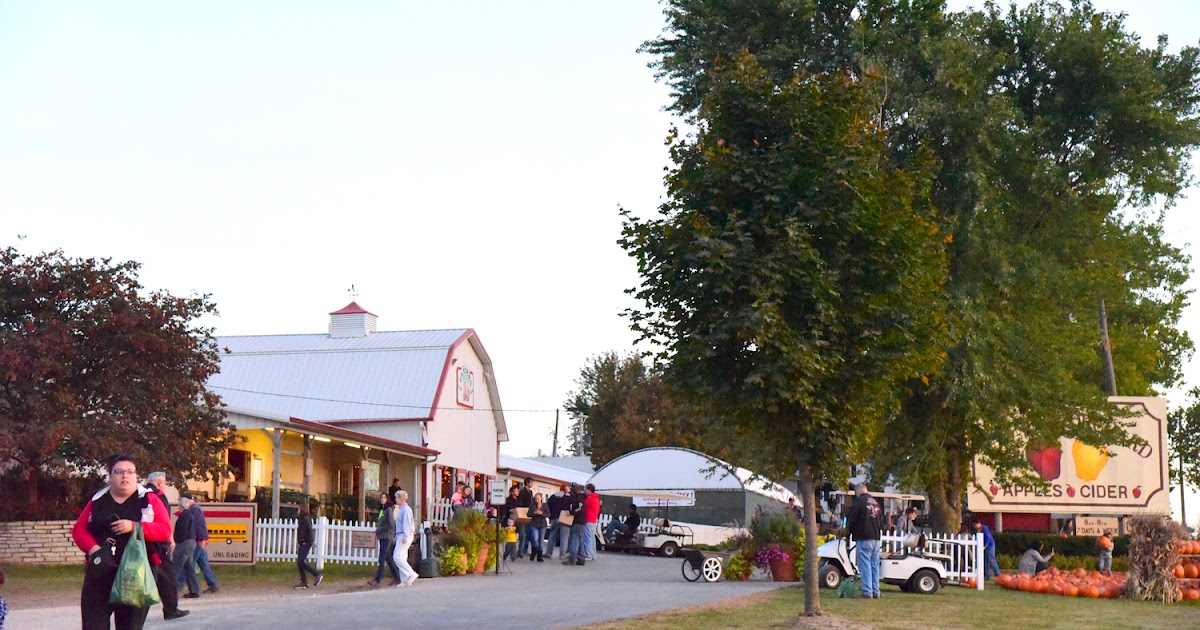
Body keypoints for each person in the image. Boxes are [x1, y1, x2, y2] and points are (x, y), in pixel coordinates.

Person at [72, 454, 172, 630]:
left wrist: (134, 526)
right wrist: (94, 549)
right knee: (93, 625)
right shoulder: (98, 500)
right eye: (119, 472)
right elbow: (79, 530)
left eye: (130, 472)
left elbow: (164, 530)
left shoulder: (149, 500)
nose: (125, 476)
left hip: (137, 575)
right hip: (101, 573)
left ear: (136, 476)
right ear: (110, 477)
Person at [144, 472, 187, 620]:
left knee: (152, 577)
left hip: (142, 542)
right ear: (160, 483)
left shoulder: (141, 493)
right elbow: (164, 521)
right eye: (165, 483)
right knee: (168, 576)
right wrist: (170, 539)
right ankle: (171, 609)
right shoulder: (159, 496)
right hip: (157, 543)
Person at [845, 483, 884, 599]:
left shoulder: (858, 503)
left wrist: (848, 532)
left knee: (865, 564)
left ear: (857, 492)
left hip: (864, 537)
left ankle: (867, 591)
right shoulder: (876, 503)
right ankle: (876, 591)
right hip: (876, 538)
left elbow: (852, 520)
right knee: (874, 565)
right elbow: (881, 522)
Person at [172, 494, 202, 599]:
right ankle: (194, 590)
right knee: (189, 568)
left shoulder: (184, 516)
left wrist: (177, 541)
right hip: (191, 542)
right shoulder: (190, 514)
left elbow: (182, 531)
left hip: (184, 543)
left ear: (181, 505)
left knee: (175, 567)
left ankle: (170, 591)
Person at [367, 492, 399, 586]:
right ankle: (397, 577)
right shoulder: (383, 510)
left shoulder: (388, 509)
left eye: (384, 498)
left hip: (387, 536)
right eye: (381, 497)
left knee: (382, 558)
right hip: (382, 535)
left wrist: (380, 529)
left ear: (388, 499)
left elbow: (390, 524)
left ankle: (378, 579)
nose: (382, 499)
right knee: (388, 558)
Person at [190, 501, 219, 594]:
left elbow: (199, 525)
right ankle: (213, 584)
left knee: (189, 564)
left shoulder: (194, 509)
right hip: (201, 540)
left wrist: (201, 539)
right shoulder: (196, 509)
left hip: (199, 541)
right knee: (203, 563)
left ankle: (185, 586)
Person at [391, 490, 418, 588]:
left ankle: (411, 574)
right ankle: (405, 579)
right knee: (402, 557)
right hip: (400, 534)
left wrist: (406, 536)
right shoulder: (401, 509)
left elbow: (406, 523)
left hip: (405, 535)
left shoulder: (406, 509)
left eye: (396, 498)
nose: (395, 499)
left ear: (401, 498)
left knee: (396, 556)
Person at [294, 503, 323, 589]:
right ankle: (304, 582)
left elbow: (310, 530)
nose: (297, 511)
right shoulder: (302, 519)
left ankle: (317, 574)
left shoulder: (306, 519)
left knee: (301, 562)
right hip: (302, 543)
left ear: (302, 510)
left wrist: (312, 541)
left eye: (299, 509)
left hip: (306, 543)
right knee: (300, 562)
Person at [564, 484, 587, 566]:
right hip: (582, 522)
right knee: (580, 541)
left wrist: (571, 512)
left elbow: (580, 509)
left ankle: (572, 559)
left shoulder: (579, 498)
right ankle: (581, 558)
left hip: (578, 521)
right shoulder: (581, 497)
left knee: (574, 540)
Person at [546, 484, 570, 558]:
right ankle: (562, 554)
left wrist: (550, 517)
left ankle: (548, 553)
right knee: (564, 537)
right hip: (564, 518)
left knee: (552, 535)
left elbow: (548, 507)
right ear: (565, 489)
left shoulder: (553, 497)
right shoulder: (567, 498)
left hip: (554, 518)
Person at [527, 493, 549, 562]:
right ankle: (534, 552)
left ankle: (539, 556)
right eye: (536, 499)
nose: (537, 500)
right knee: (534, 539)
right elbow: (528, 514)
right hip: (534, 524)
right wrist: (534, 513)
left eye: (538, 499)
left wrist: (542, 513)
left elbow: (548, 514)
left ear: (541, 499)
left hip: (542, 524)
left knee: (541, 541)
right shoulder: (532, 505)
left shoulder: (545, 505)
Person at [583, 484, 602, 561]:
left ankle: (588, 554)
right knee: (591, 537)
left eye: (585, 489)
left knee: (587, 537)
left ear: (589, 489)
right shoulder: (596, 498)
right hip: (593, 519)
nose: (585, 491)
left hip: (588, 519)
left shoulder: (590, 498)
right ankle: (593, 554)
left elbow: (583, 505)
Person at [516, 477, 533, 558]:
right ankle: (520, 551)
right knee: (523, 534)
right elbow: (520, 503)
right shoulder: (523, 492)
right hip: (523, 514)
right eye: (531, 482)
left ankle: (524, 549)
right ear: (527, 483)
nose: (532, 484)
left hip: (529, 514)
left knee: (527, 533)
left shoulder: (530, 492)